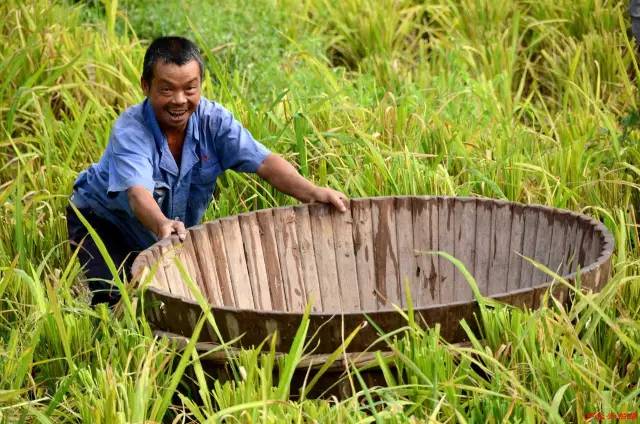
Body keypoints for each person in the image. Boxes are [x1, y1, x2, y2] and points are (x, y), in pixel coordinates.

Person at [68, 36, 347, 306]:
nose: (179, 100)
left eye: (190, 89)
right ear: (146, 86)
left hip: (161, 231)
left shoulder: (214, 121)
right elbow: (138, 194)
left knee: (171, 300)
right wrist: (163, 224)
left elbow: (265, 163)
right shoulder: (131, 131)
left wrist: (313, 192)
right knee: (115, 300)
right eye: (166, 90)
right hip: (102, 219)